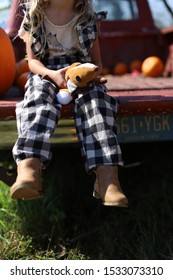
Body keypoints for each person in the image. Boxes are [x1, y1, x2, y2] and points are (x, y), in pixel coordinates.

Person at [10, 0, 128, 207]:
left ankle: (108, 178)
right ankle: (29, 168)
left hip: (80, 73)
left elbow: (96, 62)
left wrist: (92, 74)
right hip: (47, 73)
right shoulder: (34, 15)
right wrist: (52, 75)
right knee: (38, 99)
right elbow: (32, 62)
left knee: (97, 102)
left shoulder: (88, 17)